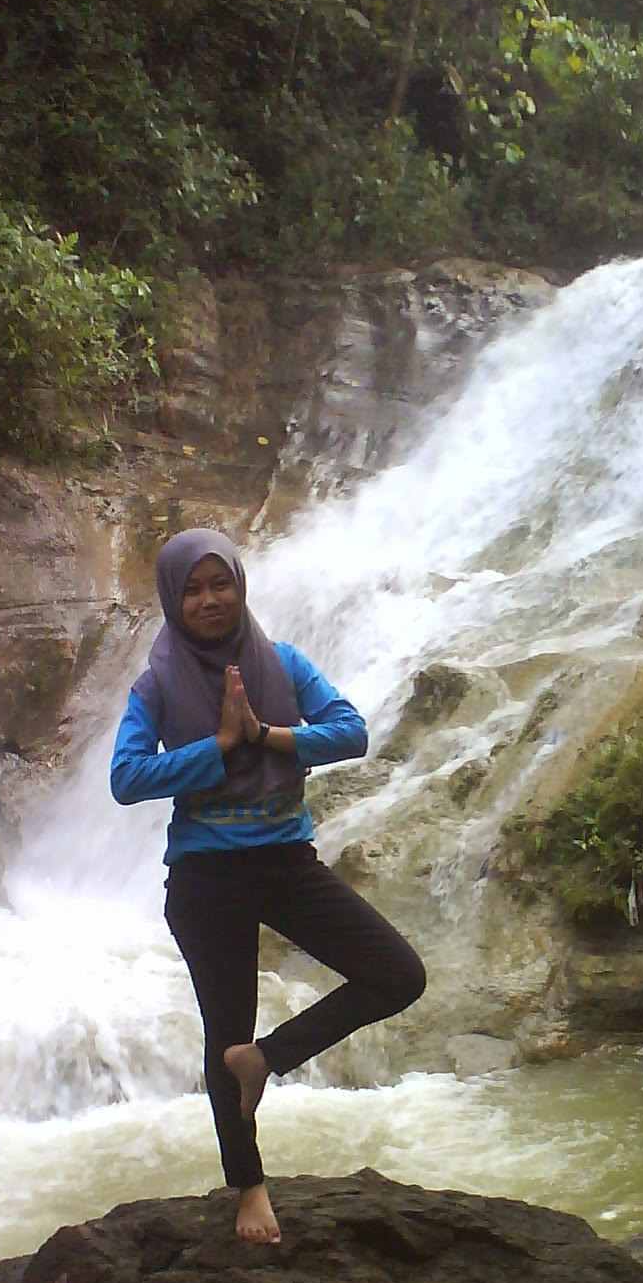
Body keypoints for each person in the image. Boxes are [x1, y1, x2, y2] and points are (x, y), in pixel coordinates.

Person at [110, 527, 426, 1246]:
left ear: (240, 586)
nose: (209, 599)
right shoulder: (156, 684)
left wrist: (266, 736)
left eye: (220, 582)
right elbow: (125, 779)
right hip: (206, 877)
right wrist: (216, 747)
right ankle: (249, 1189)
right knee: (225, 1030)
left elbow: (351, 732)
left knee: (398, 974)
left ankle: (272, 1058)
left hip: (288, 861)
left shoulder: (281, 663)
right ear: (171, 598)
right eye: (192, 588)